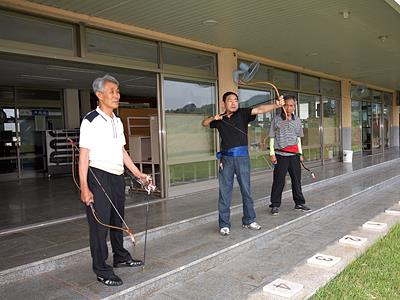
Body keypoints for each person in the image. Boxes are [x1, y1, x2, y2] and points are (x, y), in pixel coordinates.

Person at [79, 74, 150, 286]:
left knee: (117, 220)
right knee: (99, 225)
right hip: (98, 176)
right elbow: (83, 155)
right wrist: (84, 187)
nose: (117, 95)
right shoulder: (90, 120)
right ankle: (101, 268)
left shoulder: (117, 121)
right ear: (99, 95)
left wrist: (138, 174)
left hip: (117, 177)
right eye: (112, 92)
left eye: (118, 91)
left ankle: (120, 256)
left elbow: (122, 152)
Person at [202, 91, 284, 236]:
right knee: (224, 192)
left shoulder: (243, 113)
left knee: (246, 190)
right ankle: (224, 224)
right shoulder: (219, 119)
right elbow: (204, 123)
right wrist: (213, 118)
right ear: (223, 103)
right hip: (226, 159)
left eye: (236, 100)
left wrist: (276, 105)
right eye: (230, 100)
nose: (234, 103)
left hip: (242, 158)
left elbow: (259, 109)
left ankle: (249, 220)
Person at [269, 95, 311, 216]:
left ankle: (299, 203)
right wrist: (272, 153)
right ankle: (275, 204)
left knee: (296, 180)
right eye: (286, 105)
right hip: (280, 154)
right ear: (282, 105)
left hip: (294, 155)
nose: (288, 108)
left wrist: (300, 153)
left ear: (295, 106)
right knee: (278, 180)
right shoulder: (276, 119)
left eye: (291, 105)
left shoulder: (297, 120)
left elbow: (298, 138)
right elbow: (272, 137)